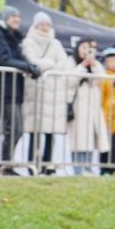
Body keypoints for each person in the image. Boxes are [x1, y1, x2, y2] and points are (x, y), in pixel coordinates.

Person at [0, 6, 41, 174]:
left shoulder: (15, 38)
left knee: (17, 130)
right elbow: (2, 58)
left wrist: (31, 66)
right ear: (5, 18)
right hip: (3, 89)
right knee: (12, 129)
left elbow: (17, 57)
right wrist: (27, 67)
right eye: (13, 16)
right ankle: (4, 166)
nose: (16, 19)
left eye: (18, 16)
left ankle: (7, 164)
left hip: (15, 90)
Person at [22, 11, 69, 174]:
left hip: (53, 92)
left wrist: (48, 67)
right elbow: (33, 61)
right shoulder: (28, 42)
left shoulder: (55, 43)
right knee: (34, 129)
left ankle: (48, 163)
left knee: (50, 130)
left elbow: (64, 62)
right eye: (41, 24)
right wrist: (50, 63)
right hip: (35, 91)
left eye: (47, 24)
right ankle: (31, 163)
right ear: (35, 26)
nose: (45, 27)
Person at [66, 40, 110, 176]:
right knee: (78, 141)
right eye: (83, 47)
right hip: (77, 108)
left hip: (93, 108)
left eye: (89, 48)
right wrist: (83, 65)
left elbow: (102, 79)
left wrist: (94, 64)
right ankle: (78, 170)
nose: (86, 51)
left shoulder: (95, 65)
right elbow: (69, 81)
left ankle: (88, 168)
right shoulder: (71, 62)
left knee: (90, 139)